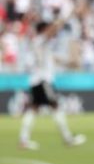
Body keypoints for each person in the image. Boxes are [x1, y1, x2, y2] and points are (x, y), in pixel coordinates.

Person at [18, 16, 86, 150]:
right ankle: (67, 139)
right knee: (55, 107)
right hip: (43, 81)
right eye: (48, 28)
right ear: (43, 30)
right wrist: (66, 15)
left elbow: (53, 59)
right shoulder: (39, 40)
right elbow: (52, 30)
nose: (52, 32)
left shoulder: (42, 45)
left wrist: (70, 64)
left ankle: (23, 140)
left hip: (36, 80)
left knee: (33, 109)